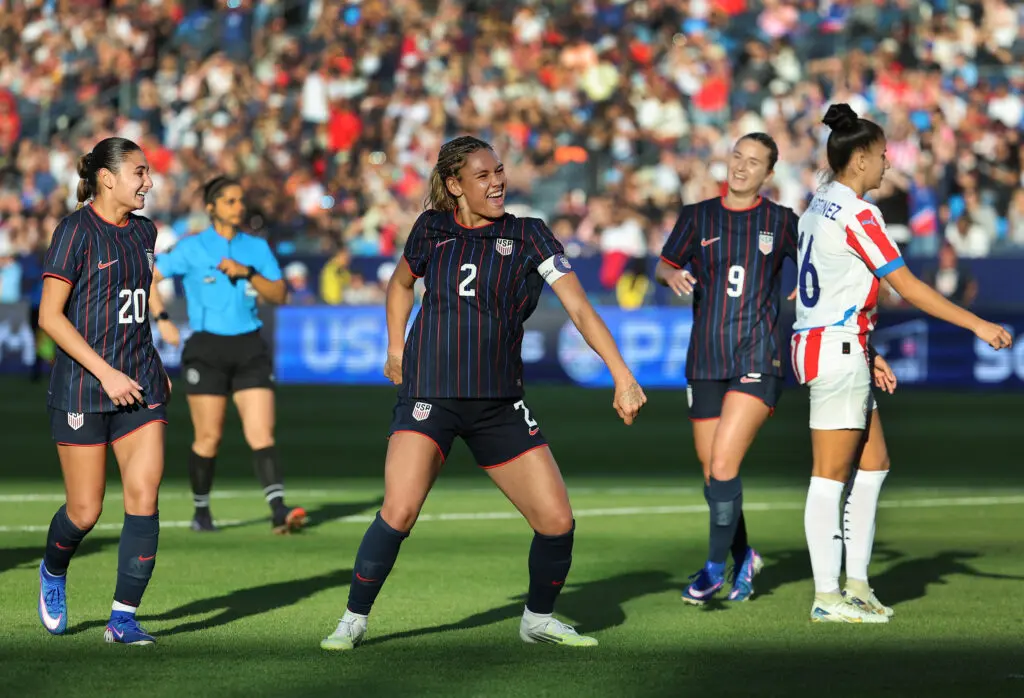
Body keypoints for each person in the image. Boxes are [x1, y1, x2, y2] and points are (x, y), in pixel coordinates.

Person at [320, 136, 647, 651]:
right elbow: (401, 285)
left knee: (557, 521)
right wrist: (395, 348)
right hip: (430, 394)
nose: (496, 182)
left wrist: (622, 375)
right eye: (482, 175)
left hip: (498, 402)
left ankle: (537, 619)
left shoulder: (530, 235)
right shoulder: (431, 229)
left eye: (499, 171)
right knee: (399, 511)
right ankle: (352, 621)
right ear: (454, 185)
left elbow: (581, 310)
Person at [792, 104, 1012, 623]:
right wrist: (977, 325)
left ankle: (857, 584)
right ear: (861, 158)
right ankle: (827, 598)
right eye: (884, 155)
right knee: (829, 476)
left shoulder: (820, 201)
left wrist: (870, 347)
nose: (888, 164)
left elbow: (829, 286)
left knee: (874, 465)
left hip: (837, 342)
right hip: (837, 346)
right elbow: (907, 286)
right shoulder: (857, 213)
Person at [655, 133, 798, 605]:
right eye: (737, 156)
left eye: (754, 162)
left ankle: (714, 570)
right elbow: (664, 264)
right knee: (715, 474)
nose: (741, 166)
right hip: (706, 358)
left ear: (768, 174)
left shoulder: (781, 221)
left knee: (723, 464)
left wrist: (810, 288)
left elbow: (818, 259)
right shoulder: (698, 216)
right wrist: (671, 273)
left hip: (757, 356)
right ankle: (744, 556)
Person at [36, 137, 169, 645]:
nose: (148, 182)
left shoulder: (145, 231)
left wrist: (149, 359)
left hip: (139, 385)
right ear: (107, 178)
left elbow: (133, 300)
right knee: (85, 511)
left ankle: (123, 618)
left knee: (144, 495)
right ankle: (52, 571)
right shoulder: (74, 231)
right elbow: (50, 316)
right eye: (139, 172)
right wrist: (105, 373)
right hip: (82, 390)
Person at [149, 176, 306, 534]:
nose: (239, 207)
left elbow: (279, 295)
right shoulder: (192, 248)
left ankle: (278, 510)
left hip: (249, 346)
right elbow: (149, 279)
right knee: (208, 437)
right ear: (211, 207)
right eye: (231, 201)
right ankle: (201, 512)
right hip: (207, 349)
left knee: (262, 433)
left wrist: (247, 272)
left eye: (240, 200)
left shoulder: (256, 248)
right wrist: (162, 320)